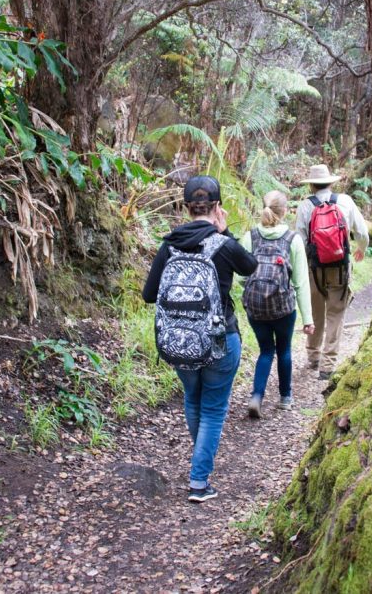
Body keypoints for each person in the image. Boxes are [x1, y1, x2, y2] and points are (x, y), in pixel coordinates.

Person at [142, 175, 258, 503]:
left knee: (193, 400)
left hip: (180, 343)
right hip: (221, 340)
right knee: (213, 409)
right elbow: (251, 266)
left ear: (185, 207)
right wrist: (227, 233)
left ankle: (200, 463)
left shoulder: (170, 245)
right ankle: (198, 481)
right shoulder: (224, 244)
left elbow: (149, 295)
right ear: (217, 207)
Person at [239, 191, 314, 418]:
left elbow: (242, 277)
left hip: (256, 309)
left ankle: (256, 396)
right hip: (283, 308)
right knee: (284, 350)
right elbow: (300, 283)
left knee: (265, 350)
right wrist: (308, 319)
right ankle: (285, 398)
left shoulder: (249, 236)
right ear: (285, 211)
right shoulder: (293, 239)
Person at [294, 164, 369, 379]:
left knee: (315, 310)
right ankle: (328, 365)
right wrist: (360, 249)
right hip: (340, 266)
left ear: (311, 186)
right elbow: (362, 232)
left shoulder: (305, 206)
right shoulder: (345, 201)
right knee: (336, 312)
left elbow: (298, 240)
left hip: (313, 268)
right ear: (331, 182)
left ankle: (313, 356)